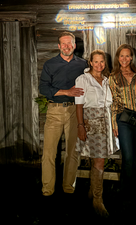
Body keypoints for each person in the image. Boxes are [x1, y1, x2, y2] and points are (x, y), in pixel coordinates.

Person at [39, 31, 87, 197]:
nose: (67, 46)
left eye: (70, 44)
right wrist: (67, 91)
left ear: (74, 45)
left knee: (73, 151)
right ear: (59, 46)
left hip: (75, 111)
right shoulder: (50, 64)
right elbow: (43, 89)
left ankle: (68, 187)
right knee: (49, 152)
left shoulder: (83, 65)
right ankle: (47, 189)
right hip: (55, 111)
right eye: (64, 44)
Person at [75, 49, 119, 217]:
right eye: (96, 61)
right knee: (99, 160)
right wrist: (80, 125)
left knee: (98, 159)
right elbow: (79, 105)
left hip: (106, 122)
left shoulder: (107, 81)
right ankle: (98, 200)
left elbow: (111, 104)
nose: (99, 65)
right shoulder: (83, 79)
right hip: (90, 122)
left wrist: (113, 123)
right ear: (90, 62)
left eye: (102, 62)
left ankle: (91, 193)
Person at [109, 44, 136, 199]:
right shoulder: (113, 77)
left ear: (132, 57)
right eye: (121, 56)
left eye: (127, 56)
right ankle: (125, 190)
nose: (124, 59)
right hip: (124, 119)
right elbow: (113, 102)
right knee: (127, 156)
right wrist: (114, 123)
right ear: (118, 58)